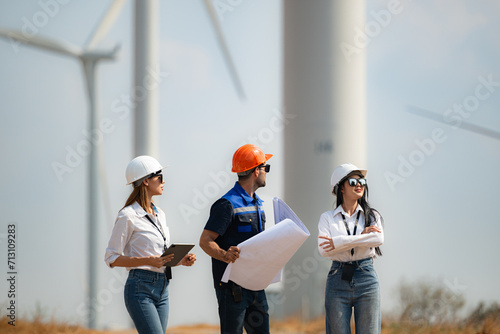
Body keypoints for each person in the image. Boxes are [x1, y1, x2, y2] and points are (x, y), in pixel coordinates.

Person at [105, 155, 196, 334]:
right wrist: (147, 260)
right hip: (140, 288)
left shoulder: (159, 214)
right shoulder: (128, 215)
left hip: (163, 287)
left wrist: (180, 260)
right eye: (160, 177)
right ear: (146, 181)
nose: (164, 181)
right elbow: (111, 258)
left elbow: (159, 259)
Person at [199, 144, 273, 334]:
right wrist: (225, 255)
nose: (267, 172)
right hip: (233, 290)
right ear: (257, 171)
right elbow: (205, 240)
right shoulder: (227, 204)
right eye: (266, 168)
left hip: (256, 284)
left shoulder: (258, 203)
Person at [318, 163, 384, 334]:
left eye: (362, 181)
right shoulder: (327, 218)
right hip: (337, 278)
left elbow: (378, 238)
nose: (360, 185)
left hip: (366, 278)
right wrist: (362, 237)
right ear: (341, 187)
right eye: (353, 182)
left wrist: (339, 242)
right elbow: (324, 250)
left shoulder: (372, 215)